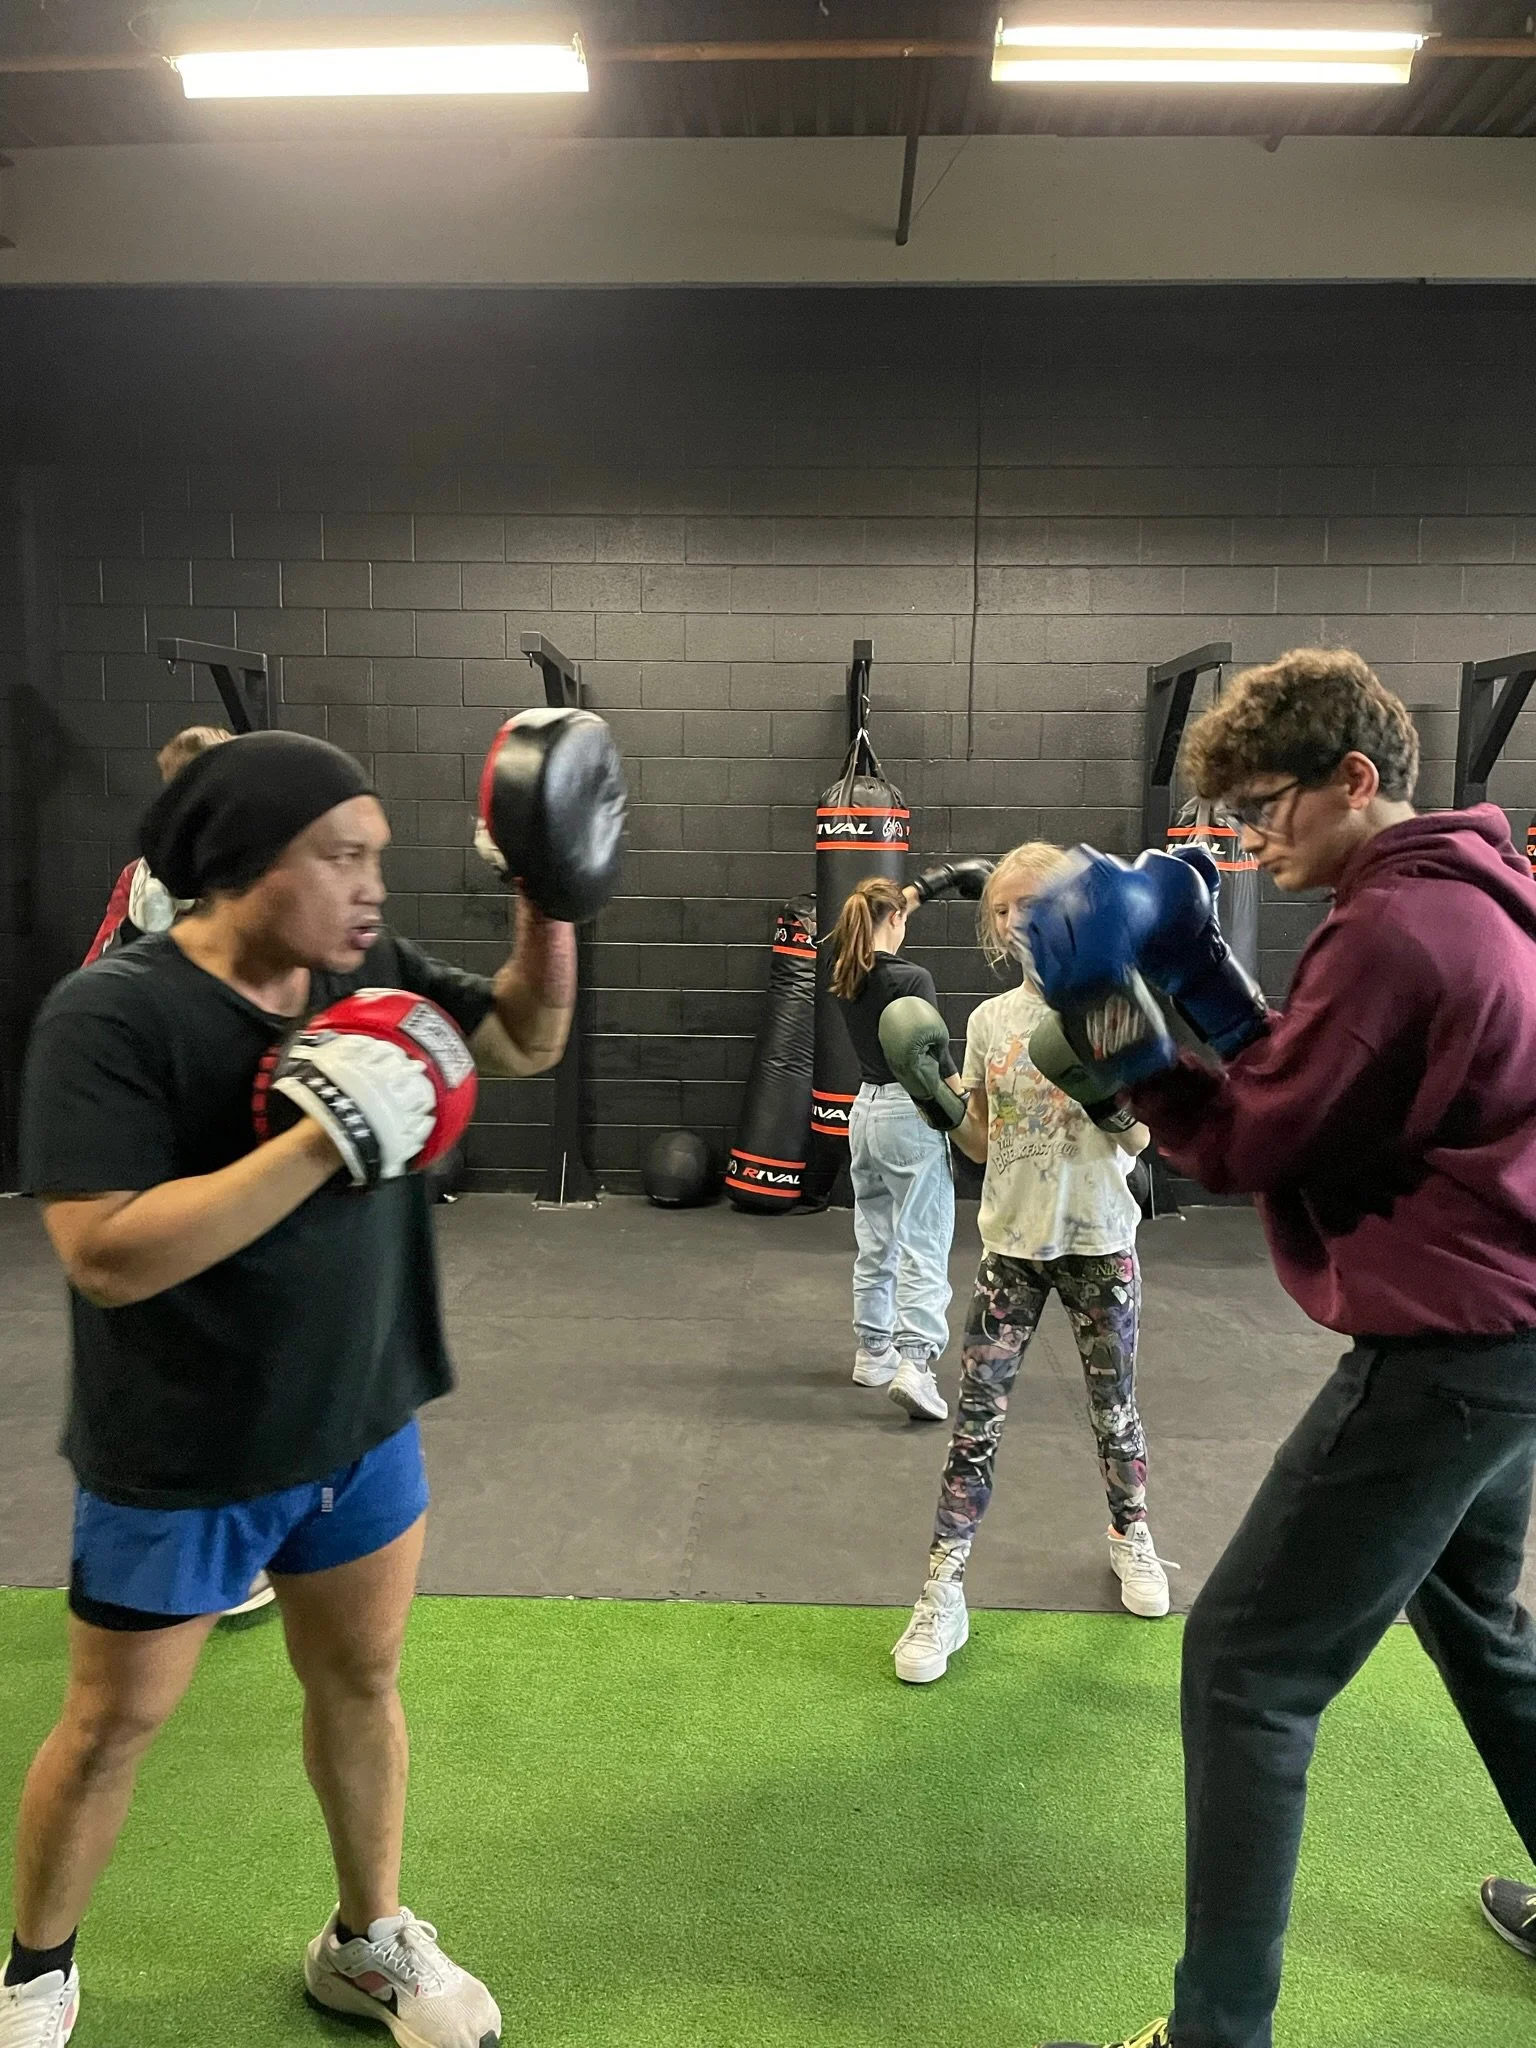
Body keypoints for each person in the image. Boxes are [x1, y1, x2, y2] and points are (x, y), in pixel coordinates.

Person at [3, 724, 596, 2048]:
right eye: (341, 856)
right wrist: (329, 1136)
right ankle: (38, 1973)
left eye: (379, 854)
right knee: (109, 1729)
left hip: (359, 1423)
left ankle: (364, 1938)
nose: (372, 886)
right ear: (242, 863)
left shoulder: (366, 970)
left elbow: (518, 1041)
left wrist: (552, 898)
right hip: (184, 1449)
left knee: (362, 1683)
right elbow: (104, 1255)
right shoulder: (112, 1014)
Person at [1026, 649, 1536, 2048]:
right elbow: (1324, 1077)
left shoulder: (1393, 934)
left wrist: (1116, 1018)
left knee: (1248, 1664)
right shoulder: (1478, 895)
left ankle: (1214, 2038)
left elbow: (1254, 1139)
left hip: (1451, 1353)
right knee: (1478, 1621)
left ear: (1355, 781)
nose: (1252, 840)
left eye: (1269, 809)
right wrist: (1196, 964)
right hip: (1516, 1336)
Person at [883, 842, 1169, 1688]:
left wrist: (1104, 1096)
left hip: (1100, 1241)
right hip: (1011, 1246)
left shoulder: (1115, 1004)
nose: (1019, 920)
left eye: (1035, 904)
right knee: (975, 1422)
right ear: (996, 923)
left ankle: (1131, 1533)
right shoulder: (988, 1023)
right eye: (1006, 908)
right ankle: (944, 1589)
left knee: (1114, 1412)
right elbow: (981, 1141)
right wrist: (935, 1097)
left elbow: (1147, 1142)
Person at [829, 872, 962, 1420]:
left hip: (862, 1112)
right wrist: (968, 1110)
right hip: (909, 1114)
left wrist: (918, 893)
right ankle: (915, 1364)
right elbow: (934, 1060)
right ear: (896, 921)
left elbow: (864, 920)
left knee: (875, 1235)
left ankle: (873, 1351)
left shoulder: (844, 971)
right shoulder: (914, 978)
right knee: (924, 1240)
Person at [82, 724, 233, 966]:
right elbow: (96, 972)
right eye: (176, 791)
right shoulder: (139, 876)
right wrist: (137, 929)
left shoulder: (262, 872)